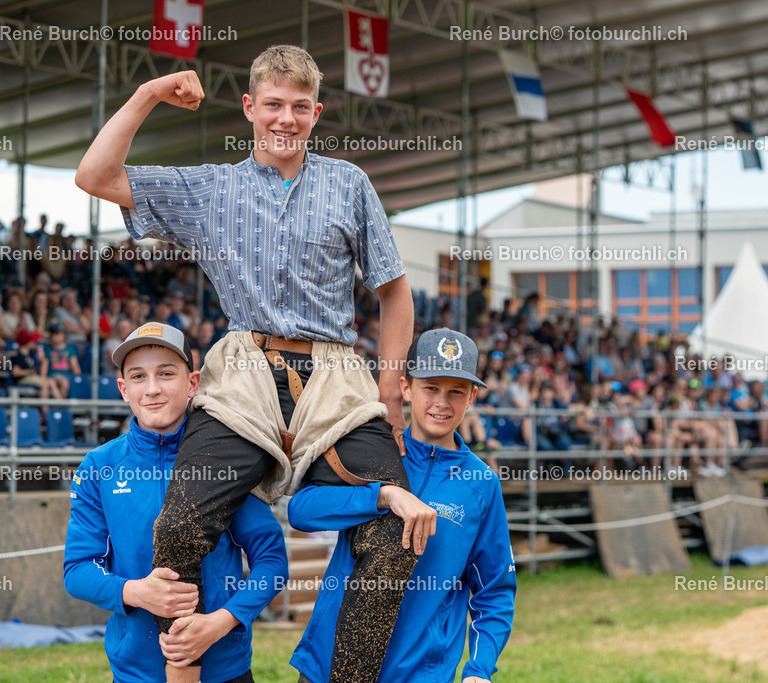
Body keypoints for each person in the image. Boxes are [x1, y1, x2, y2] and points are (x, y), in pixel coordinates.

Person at [76, 44, 427, 683]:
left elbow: (394, 291)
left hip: (338, 377)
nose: (285, 119)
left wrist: (392, 391)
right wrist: (150, 93)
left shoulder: (350, 183)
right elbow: (95, 177)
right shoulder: (214, 188)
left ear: (316, 113)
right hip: (242, 371)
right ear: (249, 108)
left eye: (299, 106)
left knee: (393, 536)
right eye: (273, 105)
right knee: (179, 523)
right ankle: (185, 673)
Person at [290, 328, 517, 683]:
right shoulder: (369, 451)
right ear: (406, 387)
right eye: (430, 388)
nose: (442, 403)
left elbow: (495, 592)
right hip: (329, 663)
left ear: (472, 396)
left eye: (455, 391)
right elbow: (301, 511)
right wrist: (382, 495)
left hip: (416, 674)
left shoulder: (481, 484)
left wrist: (479, 669)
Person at [64, 322, 287, 682]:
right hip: (136, 671)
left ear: (193, 383)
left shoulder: (224, 460)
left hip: (224, 669)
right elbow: (77, 571)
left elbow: (272, 561)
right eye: (138, 376)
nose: (152, 389)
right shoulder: (100, 467)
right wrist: (136, 592)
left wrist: (221, 622)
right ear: (123, 389)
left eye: (166, 374)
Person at [11, 329, 62, 399]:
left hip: (30, 378)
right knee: (45, 384)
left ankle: (60, 407)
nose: (34, 343)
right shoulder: (19, 355)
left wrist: (39, 350)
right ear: (27, 342)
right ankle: (45, 409)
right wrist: (29, 372)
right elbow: (15, 372)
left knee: (51, 382)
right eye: (32, 341)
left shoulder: (30, 354)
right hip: (22, 379)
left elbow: (43, 364)